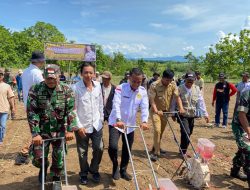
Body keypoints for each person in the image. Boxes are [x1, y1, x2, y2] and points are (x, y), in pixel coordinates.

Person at [27, 64, 76, 183]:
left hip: (59, 130)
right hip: (42, 131)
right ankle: (43, 168)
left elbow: (70, 111)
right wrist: (35, 133)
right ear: (44, 77)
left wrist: (70, 129)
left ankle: (56, 175)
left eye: (53, 78)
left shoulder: (66, 90)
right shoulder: (35, 89)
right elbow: (32, 111)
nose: (50, 81)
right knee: (38, 157)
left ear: (59, 77)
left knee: (59, 157)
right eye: (48, 78)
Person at [108, 68, 149, 181]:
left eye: (139, 82)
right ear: (129, 78)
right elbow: (116, 103)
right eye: (134, 81)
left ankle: (123, 170)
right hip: (116, 122)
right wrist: (118, 119)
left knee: (127, 149)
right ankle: (115, 165)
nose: (136, 84)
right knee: (113, 147)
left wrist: (144, 121)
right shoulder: (121, 88)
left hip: (130, 125)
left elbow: (145, 107)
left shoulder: (142, 91)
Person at [73, 62, 104, 185]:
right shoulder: (75, 88)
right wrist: (79, 126)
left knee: (99, 148)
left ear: (94, 73)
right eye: (85, 72)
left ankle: (94, 169)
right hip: (82, 126)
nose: (88, 75)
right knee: (82, 152)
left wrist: (101, 119)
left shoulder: (97, 86)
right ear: (81, 74)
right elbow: (73, 109)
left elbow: (100, 104)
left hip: (96, 124)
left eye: (90, 72)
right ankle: (84, 173)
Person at [15, 51, 45, 165]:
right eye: (42, 60)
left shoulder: (26, 71)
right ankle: (25, 152)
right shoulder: (37, 73)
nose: (43, 62)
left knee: (36, 130)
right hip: (38, 106)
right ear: (39, 61)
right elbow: (43, 88)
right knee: (38, 130)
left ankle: (27, 152)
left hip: (29, 105)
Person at [149, 69, 185, 161]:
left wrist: (181, 108)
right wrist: (157, 110)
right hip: (155, 111)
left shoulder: (172, 84)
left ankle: (156, 147)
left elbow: (177, 97)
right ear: (162, 77)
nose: (168, 82)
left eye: (170, 80)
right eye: (166, 80)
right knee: (157, 130)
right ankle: (156, 153)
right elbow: (152, 100)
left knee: (161, 131)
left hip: (166, 112)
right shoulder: (154, 85)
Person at [178, 71, 209, 156]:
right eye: (188, 80)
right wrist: (173, 113)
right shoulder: (180, 88)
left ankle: (182, 149)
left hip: (192, 115)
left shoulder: (197, 88)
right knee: (186, 132)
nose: (190, 82)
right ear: (185, 79)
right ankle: (183, 152)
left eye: (192, 80)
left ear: (194, 80)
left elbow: (200, 102)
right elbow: (175, 101)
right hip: (182, 114)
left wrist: (205, 114)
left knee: (189, 132)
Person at [230, 88, 250, 186]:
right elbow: (242, 115)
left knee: (242, 149)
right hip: (240, 125)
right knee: (247, 150)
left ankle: (235, 171)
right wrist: (249, 132)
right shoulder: (246, 94)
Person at [0, 69, 15, 144]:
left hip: (4, 109)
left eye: (1, 74)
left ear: (2, 76)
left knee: (2, 126)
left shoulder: (7, 86)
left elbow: (11, 98)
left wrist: (13, 108)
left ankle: (1, 139)